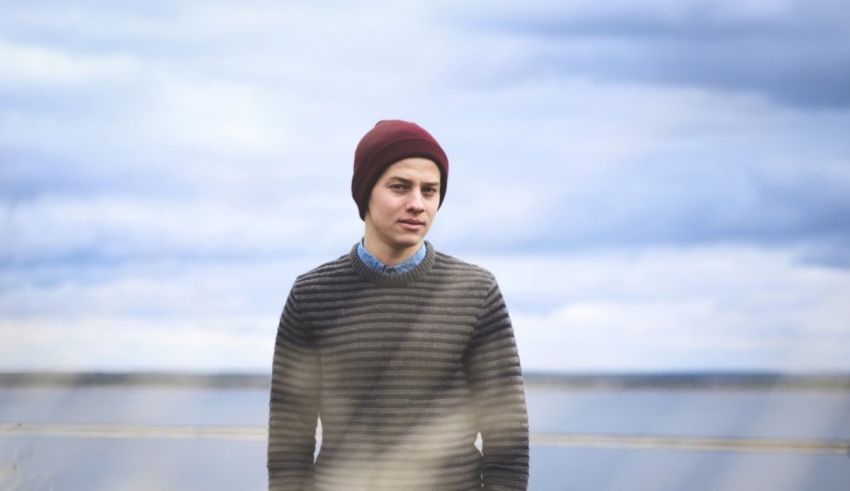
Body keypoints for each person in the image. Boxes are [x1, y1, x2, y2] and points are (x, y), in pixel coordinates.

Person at [268, 120, 529, 490]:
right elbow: (288, 452)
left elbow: (509, 448)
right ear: (365, 192)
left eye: (430, 190)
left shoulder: (475, 291)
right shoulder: (311, 295)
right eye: (399, 187)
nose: (417, 204)